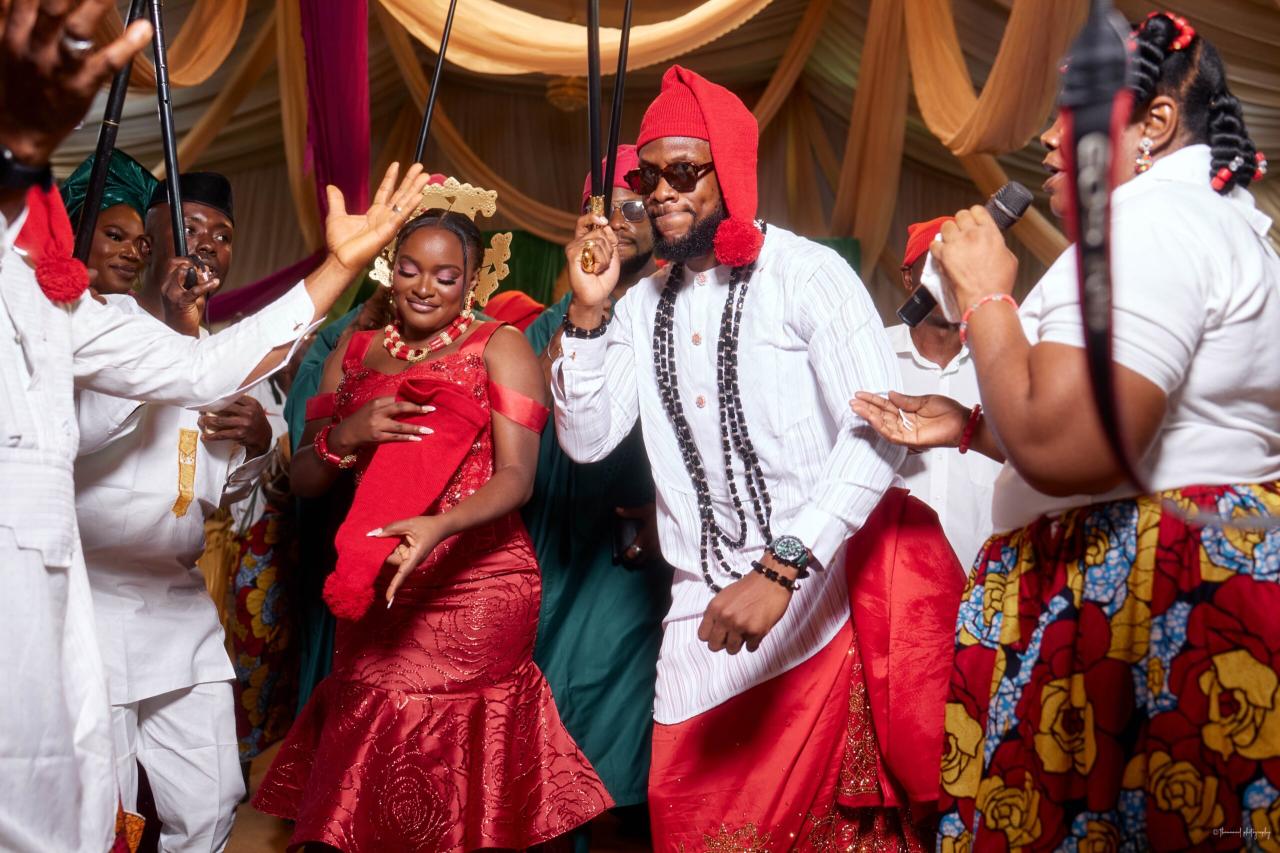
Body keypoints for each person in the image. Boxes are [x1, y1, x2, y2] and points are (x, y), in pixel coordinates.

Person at [0, 6, 432, 847]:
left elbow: (210, 378)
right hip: (77, 594)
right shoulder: (82, 302)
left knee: (196, 801)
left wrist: (341, 264)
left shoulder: (77, 311)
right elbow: (90, 432)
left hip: (156, 599)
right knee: (77, 817)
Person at [852, 13, 1280, 850]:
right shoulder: (1209, 220)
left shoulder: (1152, 219)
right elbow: (1140, 429)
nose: (1048, 140)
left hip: (1139, 592)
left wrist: (984, 295)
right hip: (1180, 566)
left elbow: (1070, 447)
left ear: (1154, 123)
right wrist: (977, 428)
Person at [553, 65, 958, 848]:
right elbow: (586, 437)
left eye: (682, 172)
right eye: (646, 177)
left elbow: (879, 430)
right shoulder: (639, 306)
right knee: (685, 815)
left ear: (730, 171)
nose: (660, 193)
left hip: (815, 600)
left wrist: (780, 569)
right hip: (697, 611)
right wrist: (588, 309)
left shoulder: (808, 276)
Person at [253, 182, 611, 851]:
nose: (424, 288)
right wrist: (347, 434)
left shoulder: (499, 346)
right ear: (390, 269)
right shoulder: (353, 353)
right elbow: (305, 478)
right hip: (378, 578)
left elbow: (518, 478)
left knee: (450, 756)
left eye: (446, 277)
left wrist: (439, 526)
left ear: (472, 281)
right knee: (374, 735)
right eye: (410, 270)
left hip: (476, 583)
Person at [72, 171, 287, 851]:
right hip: (90, 603)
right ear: (151, 239)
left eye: (223, 235)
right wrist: (173, 340)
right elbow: (79, 435)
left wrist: (258, 441)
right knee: (98, 809)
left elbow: (233, 497)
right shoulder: (93, 321)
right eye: (190, 228)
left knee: (212, 800)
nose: (209, 244)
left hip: (178, 604)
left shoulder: (233, 356)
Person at [523, 144, 671, 837]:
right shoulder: (545, 323)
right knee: (541, 710)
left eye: (637, 206)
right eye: (605, 208)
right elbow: (523, 418)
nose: (622, 222)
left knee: (615, 733)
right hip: (551, 536)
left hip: (631, 552)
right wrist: (583, 312)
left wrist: (670, 515)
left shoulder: (674, 316)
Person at [887, 217, 1001, 570]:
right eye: (938, 266)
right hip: (890, 578)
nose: (951, 279)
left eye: (962, 268)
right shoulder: (873, 355)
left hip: (981, 576)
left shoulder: (1002, 364)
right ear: (909, 277)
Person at [59, 148, 157, 298]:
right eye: (115, 236)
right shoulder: (33, 297)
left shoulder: (139, 311)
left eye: (141, 245)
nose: (134, 254)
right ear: (74, 237)